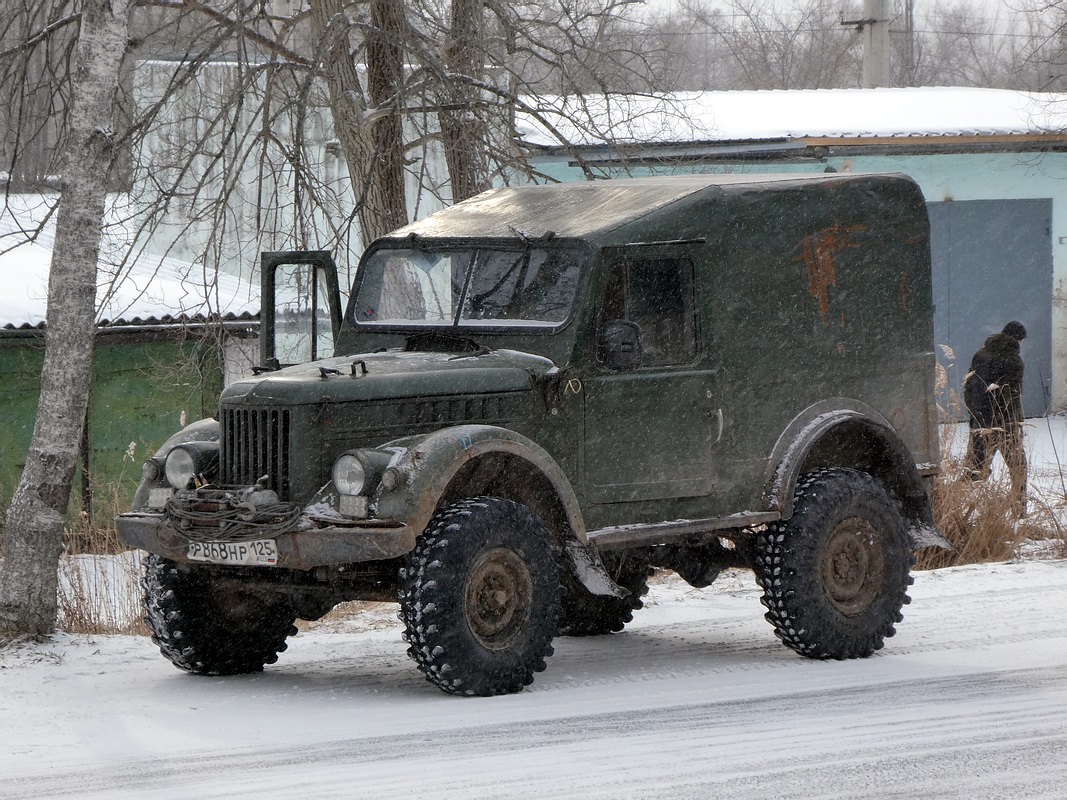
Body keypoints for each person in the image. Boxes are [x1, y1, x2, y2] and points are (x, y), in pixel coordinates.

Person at [963, 320, 1028, 515]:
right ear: (1017, 339)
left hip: (980, 421)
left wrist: (975, 414)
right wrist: (1015, 422)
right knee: (1019, 468)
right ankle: (1019, 510)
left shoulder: (980, 354)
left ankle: (962, 512)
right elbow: (1011, 396)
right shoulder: (1014, 361)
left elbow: (969, 387)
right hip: (1005, 424)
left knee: (975, 470)